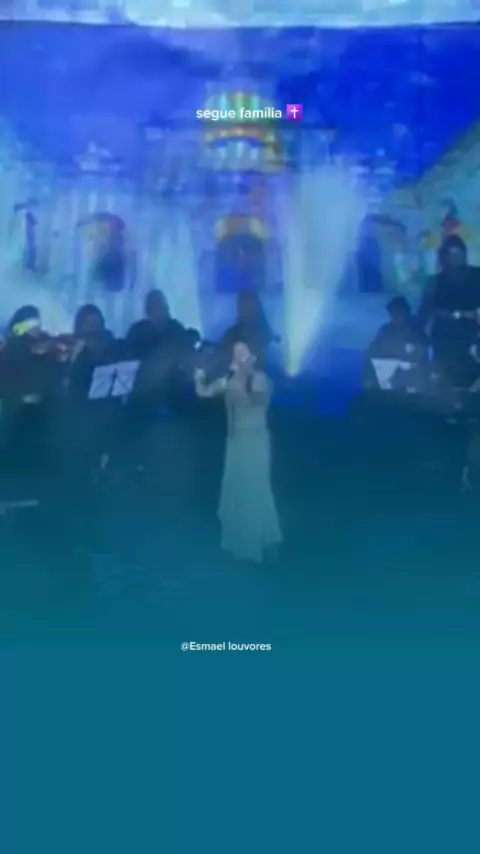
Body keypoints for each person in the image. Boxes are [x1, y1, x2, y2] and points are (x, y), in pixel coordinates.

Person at [194, 340, 282, 563]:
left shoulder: (260, 378)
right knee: (236, 486)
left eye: (244, 353)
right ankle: (240, 542)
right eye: (236, 353)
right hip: (236, 441)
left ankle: (262, 541)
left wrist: (241, 386)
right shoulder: (229, 380)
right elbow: (204, 392)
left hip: (256, 439)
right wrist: (199, 375)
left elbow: (259, 401)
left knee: (255, 487)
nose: (240, 357)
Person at [418, 235, 480, 386]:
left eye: (459, 254)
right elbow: (424, 313)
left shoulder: (476, 276)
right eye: (451, 255)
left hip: (474, 337)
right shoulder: (434, 282)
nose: (456, 258)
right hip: (445, 340)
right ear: (444, 258)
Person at [221, 290, 276, 370]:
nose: (242, 308)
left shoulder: (264, 333)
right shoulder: (232, 334)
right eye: (241, 305)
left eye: (247, 305)